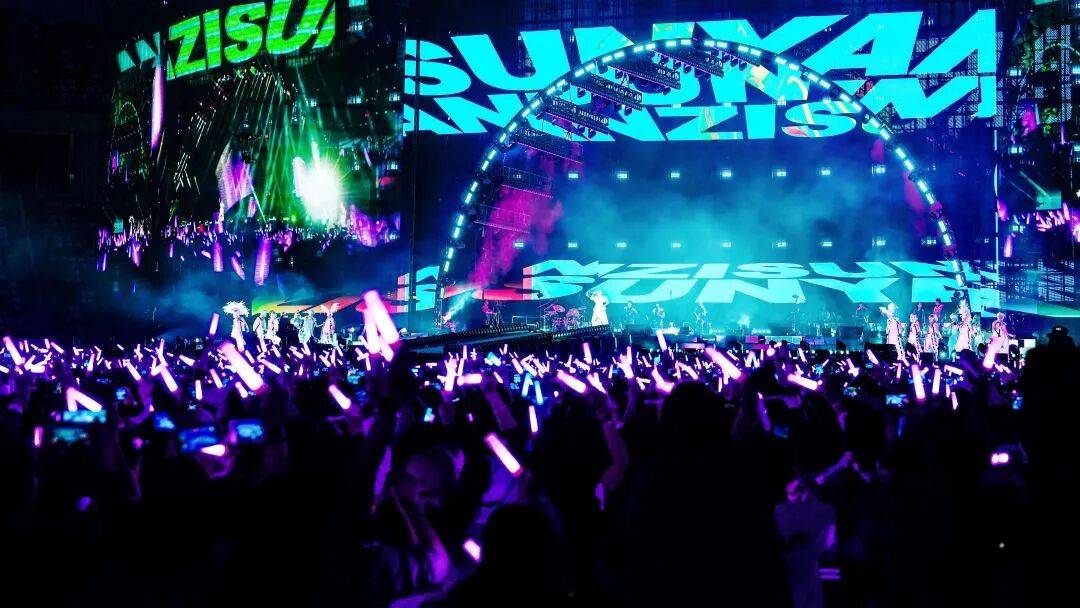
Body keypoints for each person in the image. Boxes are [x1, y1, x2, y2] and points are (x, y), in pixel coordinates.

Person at [774, 478, 837, 608]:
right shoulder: (825, 511)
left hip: (797, 567)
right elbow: (829, 545)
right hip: (808, 567)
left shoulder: (780, 511)